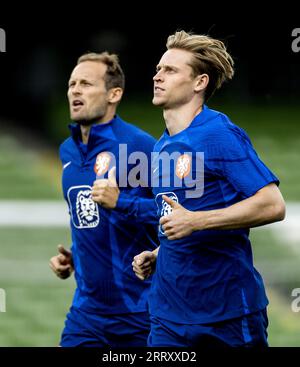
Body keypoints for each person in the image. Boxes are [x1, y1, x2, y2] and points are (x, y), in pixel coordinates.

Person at [132, 30, 286, 347]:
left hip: (226, 314)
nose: (157, 76)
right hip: (168, 315)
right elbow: (181, 216)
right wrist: (158, 254)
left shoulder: (218, 133)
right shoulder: (161, 146)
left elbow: (272, 204)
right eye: (159, 69)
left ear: (199, 82)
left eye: (170, 70)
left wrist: (196, 221)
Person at [49, 51, 158, 347]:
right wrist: (76, 254)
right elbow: (88, 216)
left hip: (139, 314)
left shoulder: (139, 146)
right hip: (86, 315)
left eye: (86, 83)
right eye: (72, 84)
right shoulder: (67, 151)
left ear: (114, 94)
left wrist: (121, 201)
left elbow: (170, 212)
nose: (75, 90)